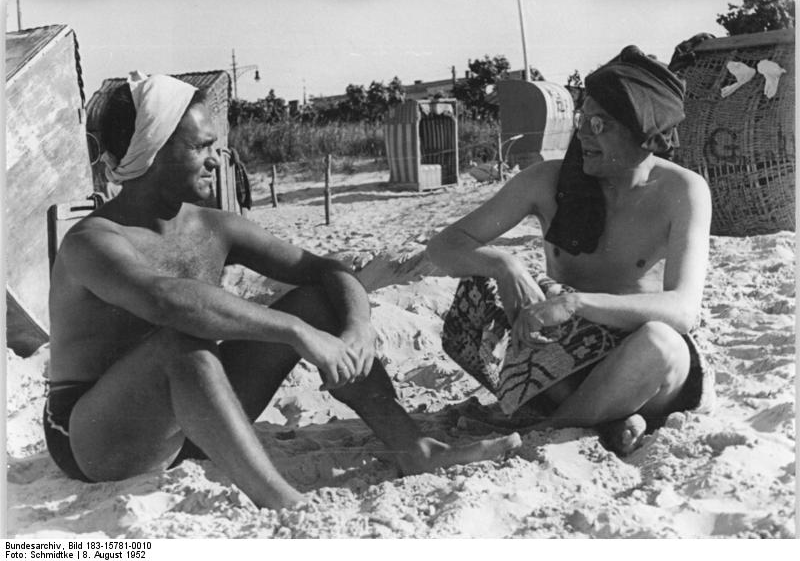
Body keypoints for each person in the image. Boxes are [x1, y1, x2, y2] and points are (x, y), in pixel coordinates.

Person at [45, 72, 520, 510]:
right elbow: (166, 301)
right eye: (202, 147)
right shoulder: (93, 241)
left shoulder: (214, 226)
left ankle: (416, 448)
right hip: (97, 437)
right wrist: (293, 331)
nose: (217, 159)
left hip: (196, 419)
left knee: (319, 301)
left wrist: (356, 327)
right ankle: (282, 502)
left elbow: (329, 270)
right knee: (180, 344)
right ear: (151, 153)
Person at [427, 46, 715, 456]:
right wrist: (503, 264)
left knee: (660, 343)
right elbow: (444, 246)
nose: (583, 134)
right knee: (479, 287)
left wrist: (577, 304)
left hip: (642, 370)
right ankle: (605, 419)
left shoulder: (681, 191)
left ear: (644, 135)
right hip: (562, 367)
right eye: (582, 119)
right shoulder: (548, 181)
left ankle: (548, 430)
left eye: (600, 124)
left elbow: (684, 311)